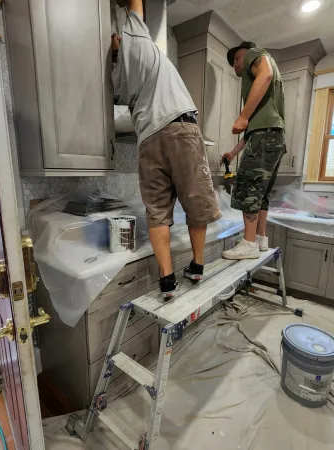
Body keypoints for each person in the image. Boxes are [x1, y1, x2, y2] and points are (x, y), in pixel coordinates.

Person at [111, 0, 221, 299]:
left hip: (147, 138)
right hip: (179, 127)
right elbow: (136, 8)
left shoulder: (117, 81)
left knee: (157, 211)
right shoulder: (140, 47)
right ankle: (196, 268)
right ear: (121, 42)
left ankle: (167, 281)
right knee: (196, 202)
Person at [221, 42, 286, 260]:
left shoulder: (255, 54)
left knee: (247, 188)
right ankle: (260, 239)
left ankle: (248, 243)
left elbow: (265, 74)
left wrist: (242, 116)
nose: (235, 66)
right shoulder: (264, 106)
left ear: (245, 54)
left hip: (264, 136)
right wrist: (232, 153)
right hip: (273, 138)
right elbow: (251, 134)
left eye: (236, 60)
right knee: (261, 193)